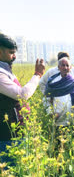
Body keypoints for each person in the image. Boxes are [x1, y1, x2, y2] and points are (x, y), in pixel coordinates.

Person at [0, 33, 45, 164]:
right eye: (11, 52)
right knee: (10, 174)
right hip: (7, 135)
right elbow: (22, 94)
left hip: (15, 132)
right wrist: (37, 74)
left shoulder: (5, 70)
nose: (14, 56)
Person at [44, 57, 74, 127]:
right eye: (63, 65)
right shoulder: (52, 83)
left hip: (73, 121)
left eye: (67, 65)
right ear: (59, 67)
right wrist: (50, 113)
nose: (65, 67)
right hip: (58, 121)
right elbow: (46, 100)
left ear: (70, 68)